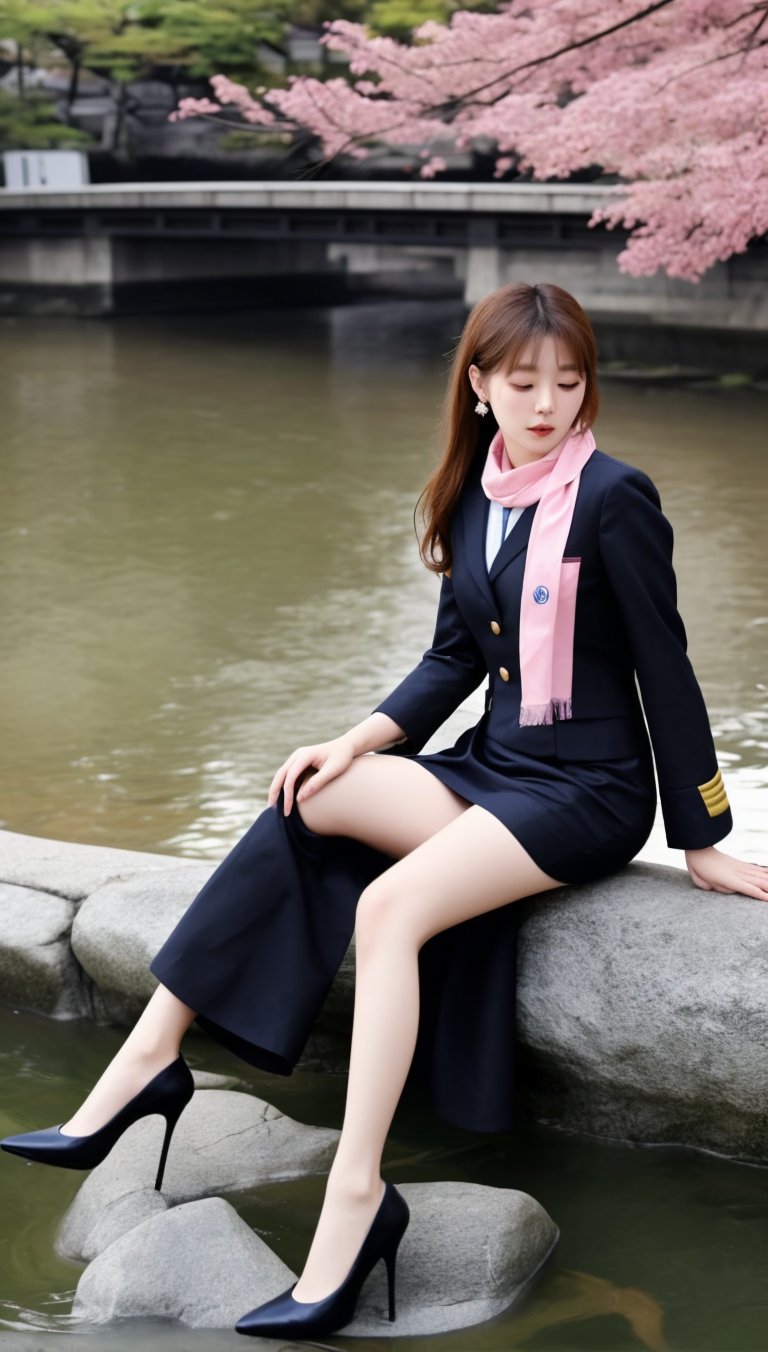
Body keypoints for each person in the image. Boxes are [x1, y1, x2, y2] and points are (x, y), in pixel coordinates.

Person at [3, 282, 766, 1341]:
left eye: (570, 380)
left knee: (393, 910)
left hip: (588, 790)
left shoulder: (613, 497)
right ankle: (149, 1057)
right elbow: (456, 654)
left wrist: (705, 837)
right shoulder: (475, 492)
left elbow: (664, 667)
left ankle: (356, 1193)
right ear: (480, 385)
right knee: (309, 793)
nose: (548, 402)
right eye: (524, 380)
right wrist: (355, 737)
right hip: (496, 762)